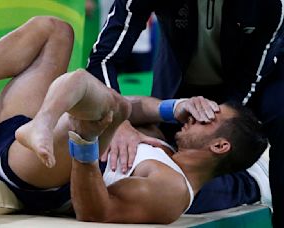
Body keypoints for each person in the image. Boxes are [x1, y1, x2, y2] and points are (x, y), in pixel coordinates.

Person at [0, 16, 268, 224]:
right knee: (54, 31)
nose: (199, 116)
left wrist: (88, 145)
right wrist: (175, 106)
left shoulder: (172, 191)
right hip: (6, 142)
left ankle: (44, 123)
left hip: (37, 176)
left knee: (110, 105)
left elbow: (97, 212)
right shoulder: (165, 150)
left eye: (210, 117)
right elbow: (134, 106)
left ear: (220, 145)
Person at [86, 0, 283, 226]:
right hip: (181, 76)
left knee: (183, 189)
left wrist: (219, 130)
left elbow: (248, 84)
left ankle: (256, 181)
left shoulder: (271, 5)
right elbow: (104, 57)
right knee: (167, 171)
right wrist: (118, 125)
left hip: (255, 82)